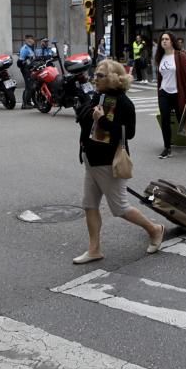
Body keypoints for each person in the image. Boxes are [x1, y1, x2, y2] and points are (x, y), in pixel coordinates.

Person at [73, 59, 164, 264]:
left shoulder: (124, 103)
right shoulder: (98, 95)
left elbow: (127, 134)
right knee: (89, 205)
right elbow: (84, 120)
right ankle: (94, 249)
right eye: (95, 74)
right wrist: (85, 107)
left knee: (120, 208)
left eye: (100, 75)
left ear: (114, 78)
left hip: (109, 161)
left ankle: (155, 229)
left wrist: (102, 120)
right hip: (91, 158)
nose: (94, 78)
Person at [155, 31, 186, 158]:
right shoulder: (160, 57)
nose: (164, 41)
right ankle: (167, 148)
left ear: (172, 41)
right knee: (165, 120)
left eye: (167, 39)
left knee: (182, 120)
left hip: (178, 94)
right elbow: (160, 77)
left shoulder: (180, 56)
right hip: (164, 93)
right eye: (162, 39)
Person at [18, 34, 36, 109]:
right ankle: (25, 104)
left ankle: (29, 102)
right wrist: (26, 66)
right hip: (26, 69)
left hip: (31, 69)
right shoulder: (24, 49)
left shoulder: (30, 48)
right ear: (26, 40)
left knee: (31, 86)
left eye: (32, 39)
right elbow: (20, 62)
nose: (32, 41)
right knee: (29, 86)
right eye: (30, 39)